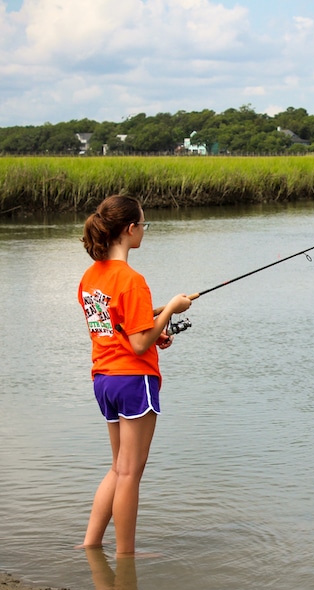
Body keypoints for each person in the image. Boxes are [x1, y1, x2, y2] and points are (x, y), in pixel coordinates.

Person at [78, 194, 192, 556]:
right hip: (133, 381)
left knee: (117, 468)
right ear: (129, 229)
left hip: (104, 380)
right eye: (143, 224)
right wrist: (172, 307)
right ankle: (126, 554)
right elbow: (140, 344)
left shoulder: (90, 277)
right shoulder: (131, 279)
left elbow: (117, 328)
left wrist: (157, 327)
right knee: (130, 472)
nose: (145, 230)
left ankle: (91, 544)